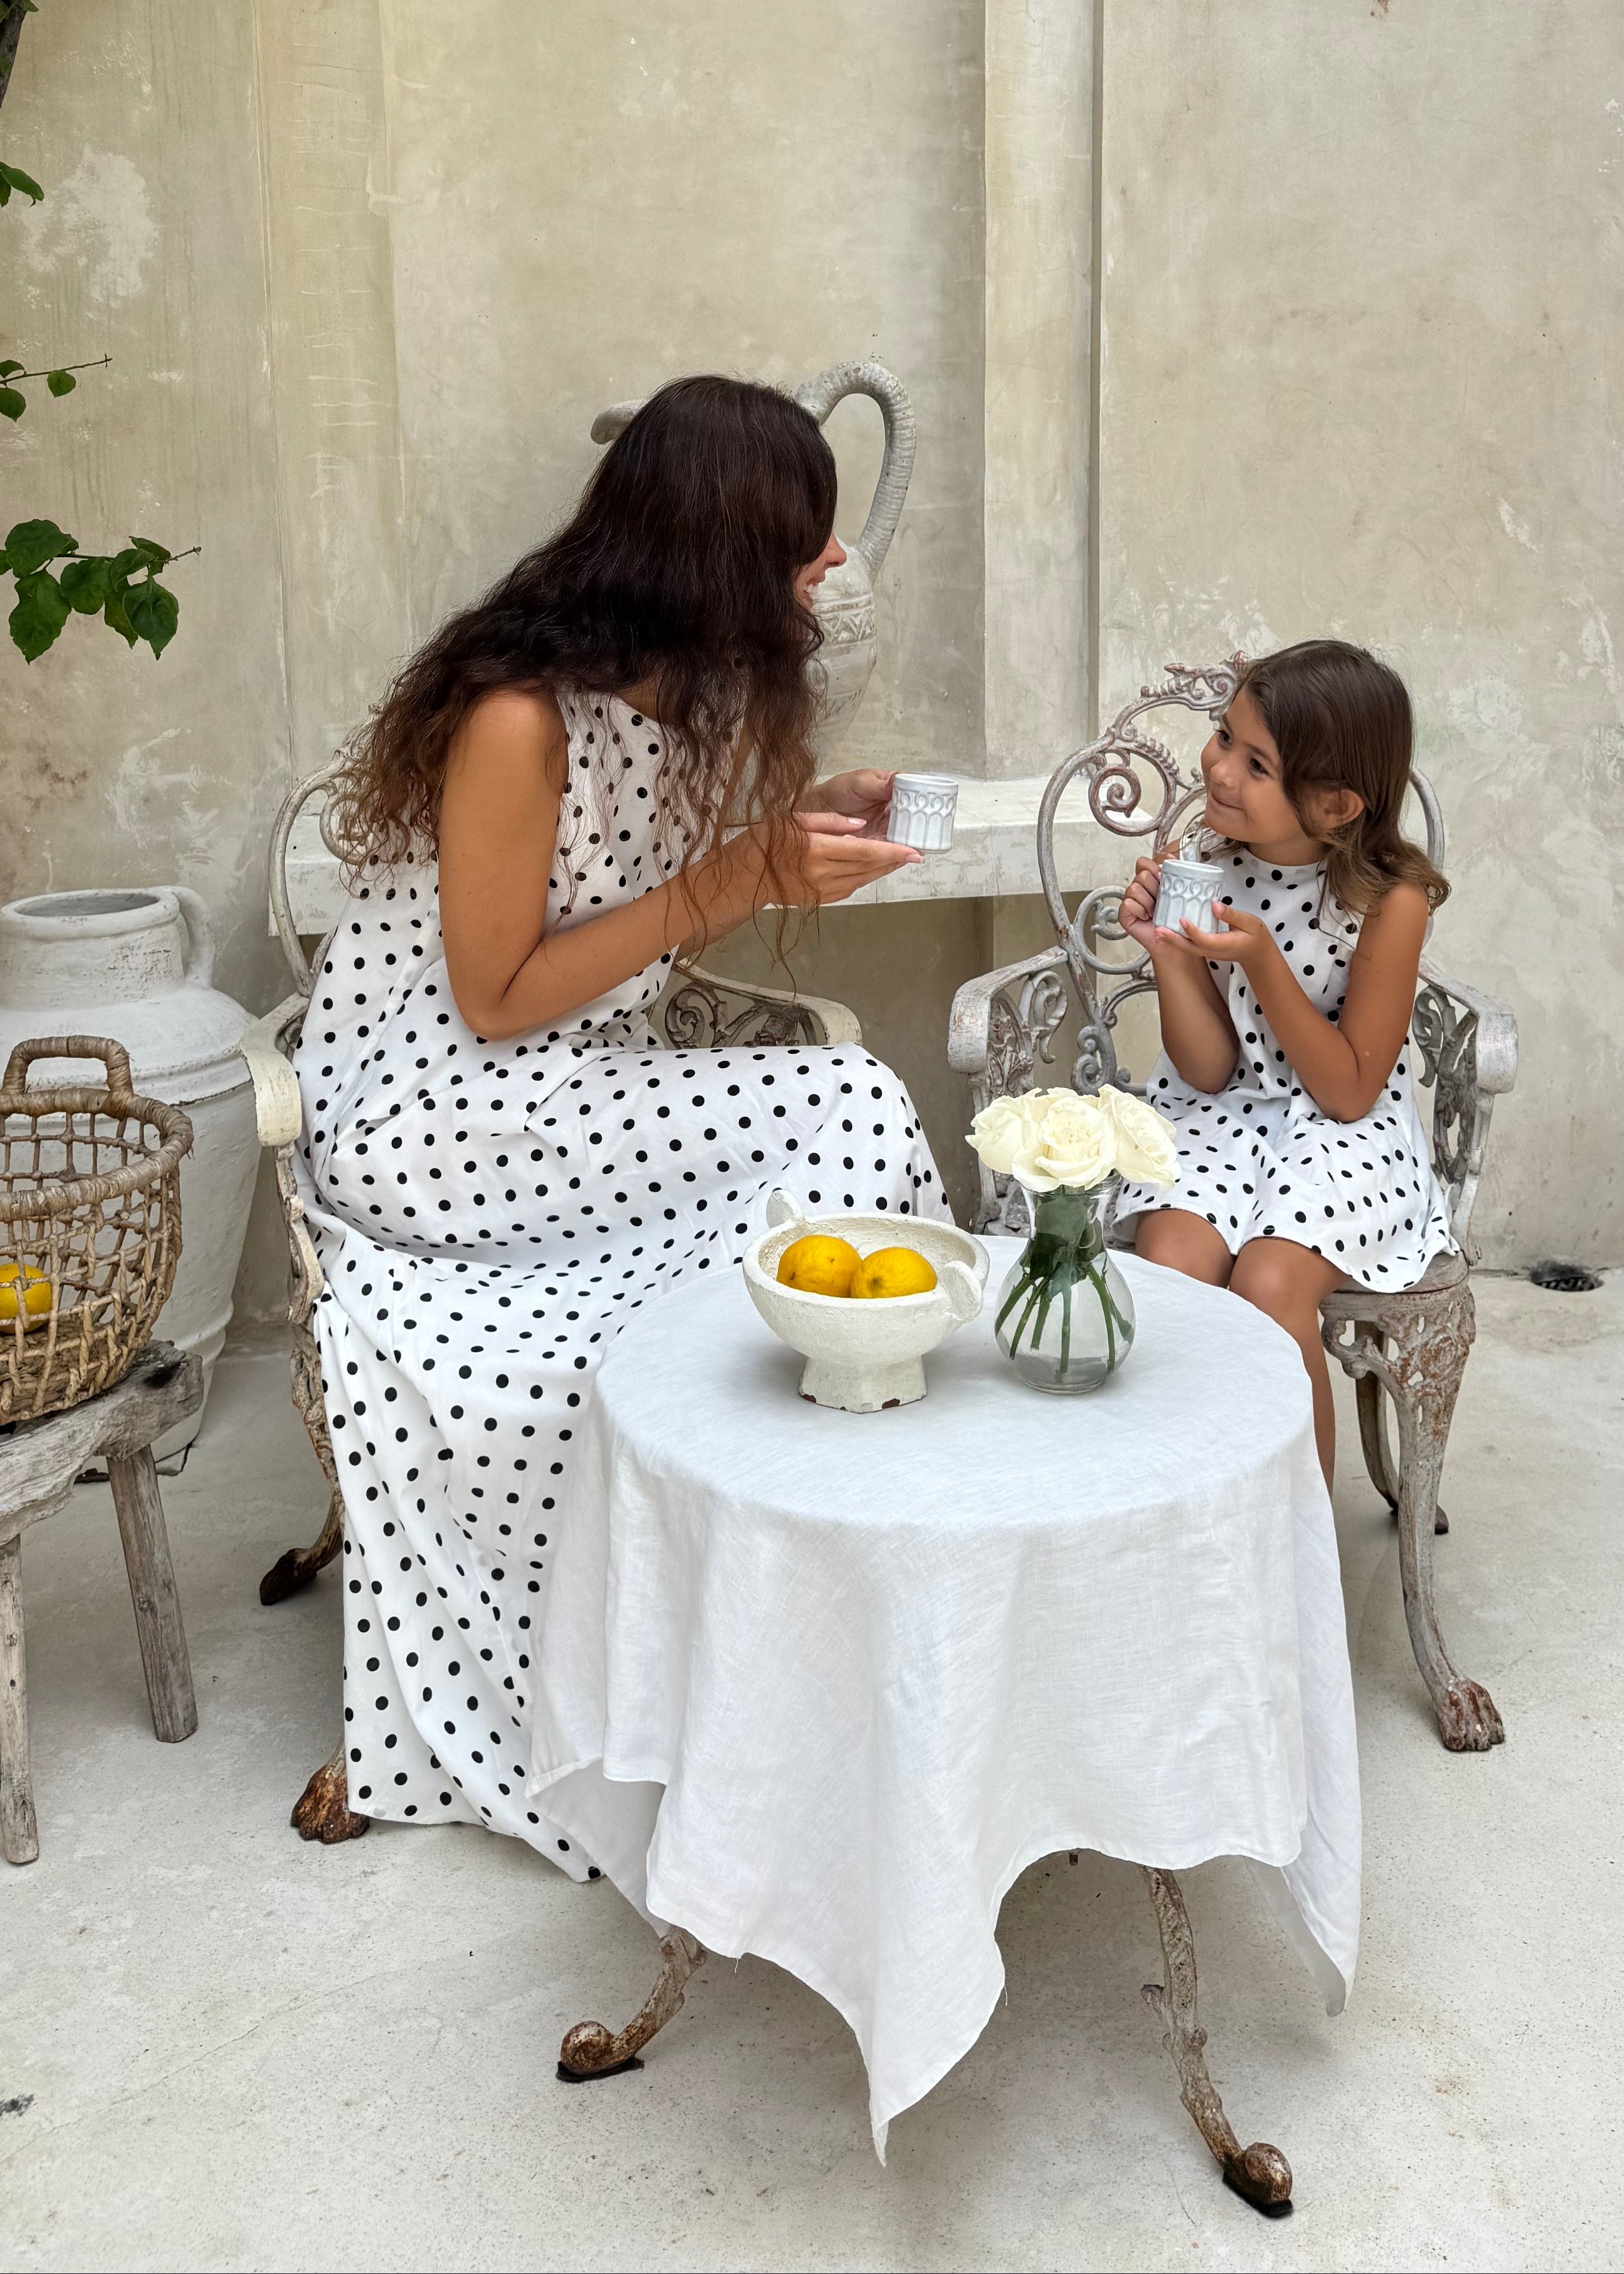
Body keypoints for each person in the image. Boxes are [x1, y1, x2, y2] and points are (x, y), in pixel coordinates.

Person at [294, 375, 948, 1858]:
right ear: (715, 555)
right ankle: (777, 1554)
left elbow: (623, 898)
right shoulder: (513, 718)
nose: (820, 578)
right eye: (800, 551)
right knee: (833, 1105)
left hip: (562, 1096)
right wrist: (742, 882)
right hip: (437, 1121)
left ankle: (835, 1533)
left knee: (845, 1096)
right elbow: (499, 997)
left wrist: (813, 816)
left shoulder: (675, 693)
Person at [1113, 640, 1454, 1487]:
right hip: (1222, 1117)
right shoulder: (1211, 859)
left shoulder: (1389, 901)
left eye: (1255, 763)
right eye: (1224, 738)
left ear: (1335, 803)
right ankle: (1178, 1518)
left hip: (1343, 1134)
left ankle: (1298, 1573)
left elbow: (1345, 1090)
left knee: (1269, 1284)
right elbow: (1205, 1070)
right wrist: (1167, 953)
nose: (1218, 769)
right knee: (1172, 1270)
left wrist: (1264, 962)